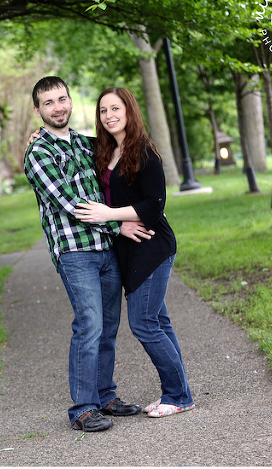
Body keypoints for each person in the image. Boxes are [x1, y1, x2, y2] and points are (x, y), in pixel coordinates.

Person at [23, 76, 143, 433]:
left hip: (106, 252)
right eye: (48, 103)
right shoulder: (38, 153)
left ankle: (105, 396)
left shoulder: (85, 144)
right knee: (89, 325)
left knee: (108, 327)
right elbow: (70, 205)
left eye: (62, 99)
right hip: (75, 252)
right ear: (38, 110)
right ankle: (82, 408)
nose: (58, 107)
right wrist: (117, 225)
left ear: (71, 100)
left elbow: (119, 146)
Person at [73, 86, 195, 417]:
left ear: (129, 111)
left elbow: (154, 207)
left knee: (143, 323)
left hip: (152, 246)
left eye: (116, 109)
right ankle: (179, 393)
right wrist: (35, 137)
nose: (109, 116)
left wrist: (109, 215)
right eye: (103, 111)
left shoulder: (145, 152)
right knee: (159, 321)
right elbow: (66, 141)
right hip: (128, 249)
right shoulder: (103, 151)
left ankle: (177, 395)